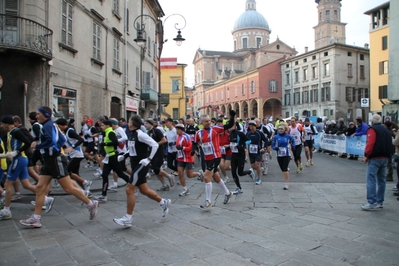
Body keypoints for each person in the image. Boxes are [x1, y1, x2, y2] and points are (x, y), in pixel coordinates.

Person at [20, 106, 99, 228]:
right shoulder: (51, 125)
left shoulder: (47, 125)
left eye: (38, 114)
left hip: (54, 160)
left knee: (68, 188)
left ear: (45, 115)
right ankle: (36, 218)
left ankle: (90, 203)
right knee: (40, 188)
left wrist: (39, 147)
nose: (36, 116)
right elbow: (62, 139)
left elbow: (51, 141)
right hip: (50, 160)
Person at [113, 115, 171, 227]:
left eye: (129, 121)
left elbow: (154, 144)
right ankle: (164, 202)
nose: (127, 122)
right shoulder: (132, 134)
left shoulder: (140, 134)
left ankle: (128, 218)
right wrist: (124, 155)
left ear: (132, 123)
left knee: (129, 190)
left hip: (141, 165)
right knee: (144, 190)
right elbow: (133, 149)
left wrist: (148, 159)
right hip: (135, 164)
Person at [0, 116, 40, 221]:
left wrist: (16, 152)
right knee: (26, 184)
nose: (1, 126)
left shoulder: (15, 131)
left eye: (2, 124)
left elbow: (27, 142)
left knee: (7, 184)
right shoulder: (11, 132)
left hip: (18, 159)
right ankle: (45, 198)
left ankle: (6, 210)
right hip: (20, 159)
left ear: (7, 124)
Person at [195, 110, 236, 209]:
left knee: (206, 177)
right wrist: (193, 151)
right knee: (216, 177)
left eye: (209, 120)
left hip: (216, 156)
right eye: (206, 121)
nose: (208, 122)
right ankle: (228, 193)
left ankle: (208, 201)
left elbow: (229, 125)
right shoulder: (198, 133)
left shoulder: (215, 129)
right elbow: (195, 143)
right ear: (201, 123)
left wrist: (232, 115)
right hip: (207, 158)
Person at [361, 114, 391, 210]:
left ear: (372, 121)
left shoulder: (372, 130)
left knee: (371, 178)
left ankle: (371, 202)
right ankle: (379, 201)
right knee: (382, 179)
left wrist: (366, 155)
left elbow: (370, 143)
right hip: (385, 156)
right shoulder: (386, 130)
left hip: (375, 157)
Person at [94, 120, 130, 202]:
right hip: (108, 156)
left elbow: (115, 142)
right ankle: (103, 195)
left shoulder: (111, 132)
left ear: (107, 125)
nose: (101, 127)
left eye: (102, 125)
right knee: (104, 175)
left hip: (113, 156)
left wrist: (105, 144)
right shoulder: (106, 133)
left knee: (120, 173)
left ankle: (134, 185)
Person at [55, 119, 92, 194]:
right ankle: (85, 191)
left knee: (67, 172)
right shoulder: (64, 132)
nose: (58, 128)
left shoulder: (70, 131)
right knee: (75, 173)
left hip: (77, 154)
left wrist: (72, 147)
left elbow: (81, 139)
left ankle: (85, 182)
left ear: (62, 125)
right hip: (72, 154)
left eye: (58, 126)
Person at [145, 119, 174, 191]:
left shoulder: (156, 131)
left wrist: (155, 144)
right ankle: (164, 185)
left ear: (151, 124)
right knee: (156, 170)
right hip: (152, 153)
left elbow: (164, 140)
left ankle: (169, 176)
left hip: (158, 152)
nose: (145, 125)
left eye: (146, 124)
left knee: (156, 169)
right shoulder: (148, 132)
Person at [175, 124, 203, 196]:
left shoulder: (186, 136)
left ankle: (199, 174)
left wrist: (183, 148)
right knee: (180, 173)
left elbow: (190, 147)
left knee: (189, 175)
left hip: (188, 158)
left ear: (181, 130)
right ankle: (185, 189)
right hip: (180, 158)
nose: (176, 131)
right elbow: (178, 146)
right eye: (176, 129)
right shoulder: (178, 137)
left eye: (178, 129)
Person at [229, 122, 253, 194]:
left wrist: (242, 145)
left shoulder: (240, 133)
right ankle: (239, 188)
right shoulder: (229, 134)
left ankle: (249, 172)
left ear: (235, 126)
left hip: (240, 155)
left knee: (240, 173)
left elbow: (249, 140)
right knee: (233, 172)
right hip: (233, 155)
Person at [272, 122, 295, 190]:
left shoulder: (288, 136)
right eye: (279, 129)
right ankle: (287, 170)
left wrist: (293, 146)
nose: (280, 130)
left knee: (284, 169)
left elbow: (293, 141)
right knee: (282, 169)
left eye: (282, 129)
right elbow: (273, 145)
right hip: (279, 154)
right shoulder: (275, 137)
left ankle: (286, 183)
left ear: (285, 129)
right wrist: (275, 148)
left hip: (286, 154)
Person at [246, 120, 268, 185]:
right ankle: (260, 169)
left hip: (258, 151)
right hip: (251, 152)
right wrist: (244, 146)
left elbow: (266, 140)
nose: (251, 128)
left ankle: (259, 178)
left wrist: (264, 148)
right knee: (253, 166)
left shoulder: (259, 133)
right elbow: (246, 141)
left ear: (255, 126)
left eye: (252, 126)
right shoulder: (248, 133)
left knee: (257, 164)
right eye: (250, 126)